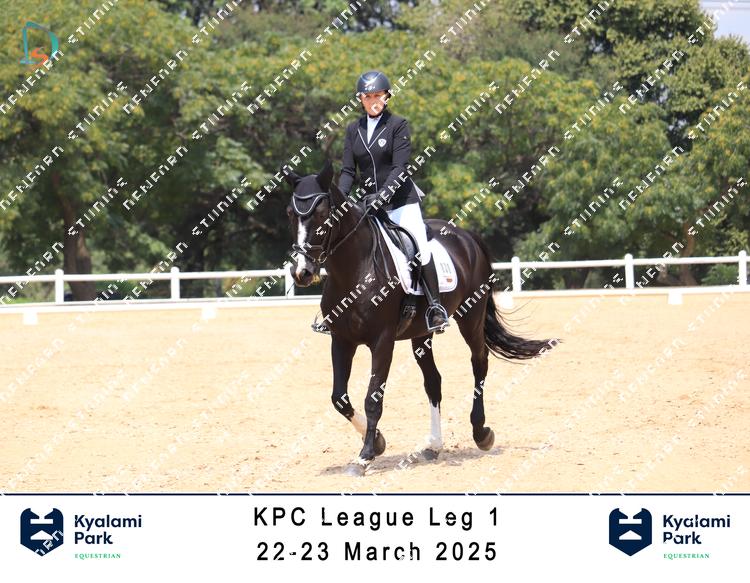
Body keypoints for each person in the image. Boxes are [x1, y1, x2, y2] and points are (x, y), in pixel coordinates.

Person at [334, 69, 450, 334]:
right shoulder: (353, 129)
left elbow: (400, 167)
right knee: (343, 244)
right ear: (360, 99)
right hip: (367, 205)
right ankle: (336, 311)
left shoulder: (398, 124)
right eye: (367, 96)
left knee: (418, 246)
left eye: (378, 95)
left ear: (387, 96)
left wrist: (384, 195)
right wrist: (340, 201)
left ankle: (435, 308)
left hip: (400, 202)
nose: (372, 100)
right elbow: (348, 171)